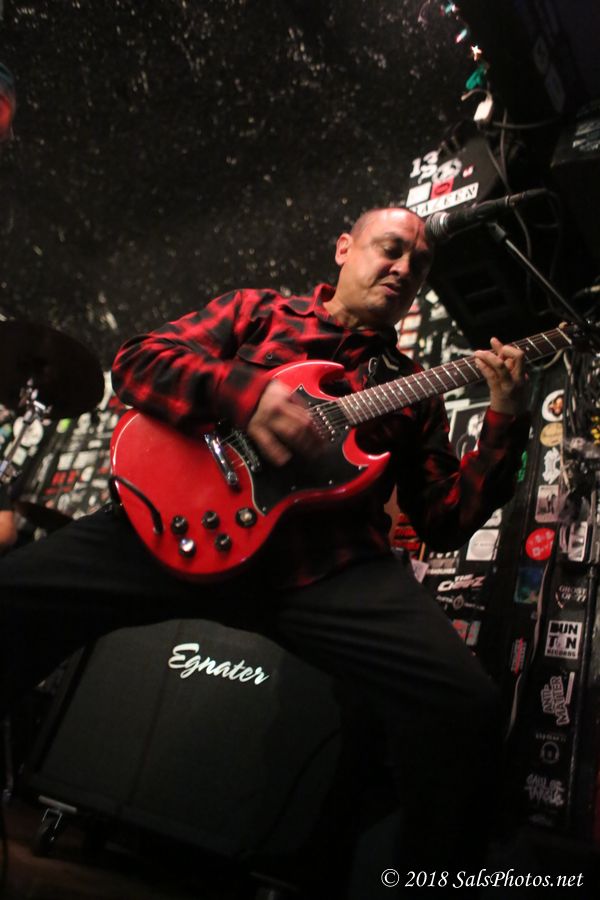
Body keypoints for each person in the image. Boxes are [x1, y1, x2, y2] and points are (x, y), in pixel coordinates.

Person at [0, 207, 529, 896]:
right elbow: (136, 362)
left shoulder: (415, 390)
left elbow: (444, 520)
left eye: (419, 264)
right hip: (176, 521)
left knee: (464, 707)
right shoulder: (260, 311)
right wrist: (243, 394)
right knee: (13, 596)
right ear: (345, 247)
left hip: (323, 567)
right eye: (390, 248)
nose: (404, 268)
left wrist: (504, 419)